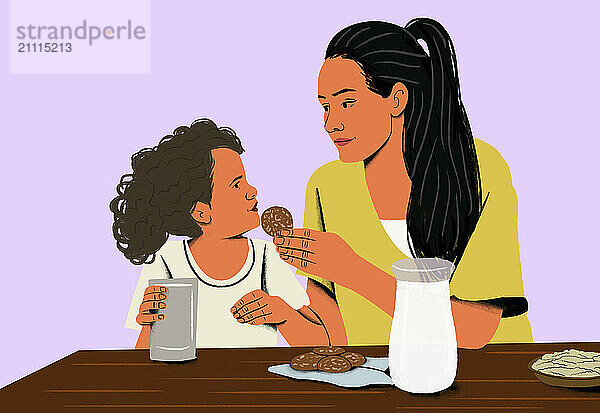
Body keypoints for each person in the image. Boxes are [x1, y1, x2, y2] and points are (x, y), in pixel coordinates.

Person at [273, 18, 533, 348]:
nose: (330, 123)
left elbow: (475, 330)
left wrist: (349, 268)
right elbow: (332, 341)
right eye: (324, 106)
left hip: (486, 380)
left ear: (397, 98)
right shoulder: (327, 185)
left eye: (347, 103)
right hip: (378, 382)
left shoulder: (479, 167)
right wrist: (283, 315)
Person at [109, 119, 329, 348]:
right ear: (202, 213)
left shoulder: (265, 257)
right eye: (236, 184)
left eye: (246, 181)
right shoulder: (168, 260)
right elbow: (145, 356)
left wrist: (283, 314)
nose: (252, 191)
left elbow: (320, 342)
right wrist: (149, 324)